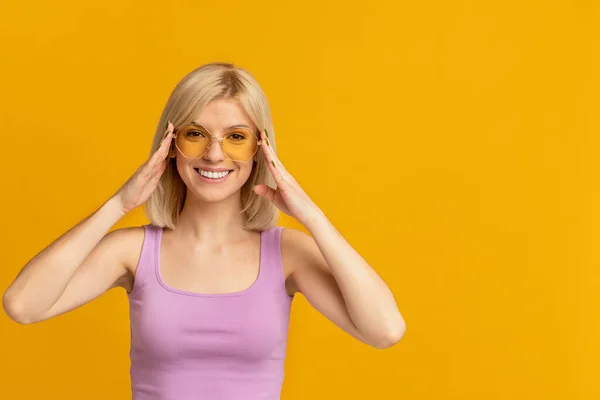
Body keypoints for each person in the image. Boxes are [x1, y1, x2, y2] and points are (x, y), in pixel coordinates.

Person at [2, 62, 406, 399]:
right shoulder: (133, 251)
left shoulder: (288, 254)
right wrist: (118, 205)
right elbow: (23, 305)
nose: (215, 153)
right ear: (171, 143)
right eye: (196, 134)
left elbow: (385, 330)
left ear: (260, 149)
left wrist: (312, 217)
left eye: (235, 137)